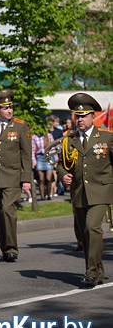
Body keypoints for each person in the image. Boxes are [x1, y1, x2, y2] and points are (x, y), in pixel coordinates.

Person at [56, 93, 113, 287]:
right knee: (85, 234)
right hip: (79, 192)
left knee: (92, 227)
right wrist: (62, 174)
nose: (80, 119)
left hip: (101, 191)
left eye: (84, 115)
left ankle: (90, 273)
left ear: (93, 117)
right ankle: (98, 272)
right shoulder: (68, 140)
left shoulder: (106, 137)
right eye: (77, 116)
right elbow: (62, 164)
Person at [0, 88, 32, 263]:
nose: (9, 110)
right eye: (5, 108)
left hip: (13, 177)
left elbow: (26, 155)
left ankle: (12, 249)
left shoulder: (20, 126)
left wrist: (26, 180)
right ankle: (5, 249)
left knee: (8, 210)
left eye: (11, 107)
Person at [32, 130, 55, 201]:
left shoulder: (49, 136)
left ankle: (49, 194)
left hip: (48, 156)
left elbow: (53, 148)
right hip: (39, 157)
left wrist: (55, 159)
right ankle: (42, 196)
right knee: (41, 179)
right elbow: (32, 150)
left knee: (48, 178)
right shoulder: (35, 137)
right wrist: (34, 160)